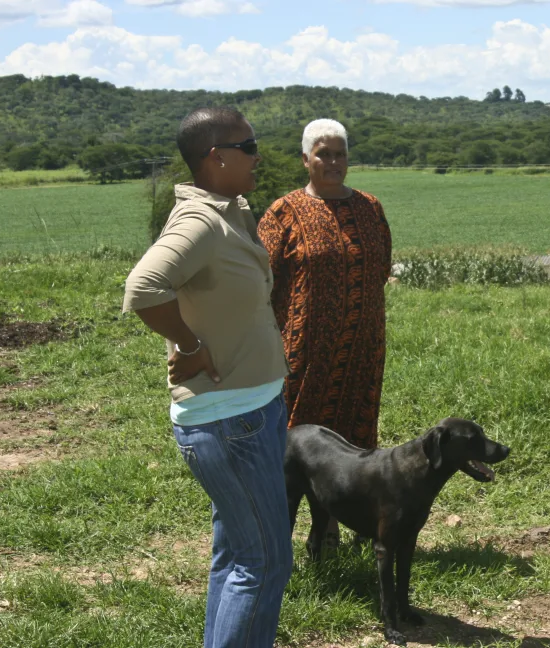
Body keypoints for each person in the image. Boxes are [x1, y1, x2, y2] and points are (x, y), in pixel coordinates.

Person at [123, 107, 293, 648]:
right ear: (215, 157)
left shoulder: (229, 209)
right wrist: (191, 345)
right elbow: (143, 287)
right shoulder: (200, 222)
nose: (258, 154)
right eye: (249, 145)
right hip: (229, 419)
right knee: (264, 562)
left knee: (238, 555)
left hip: (249, 409)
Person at [257, 118, 392, 551]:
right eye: (323, 153)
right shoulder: (284, 212)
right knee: (302, 441)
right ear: (305, 159)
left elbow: (382, 269)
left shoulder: (370, 208)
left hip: (363, 348)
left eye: (340, 154)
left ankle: (350, 524)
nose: (333, 162)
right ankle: (290, 537)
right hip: (305, 351)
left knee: (355, 438)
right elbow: (262, 278)